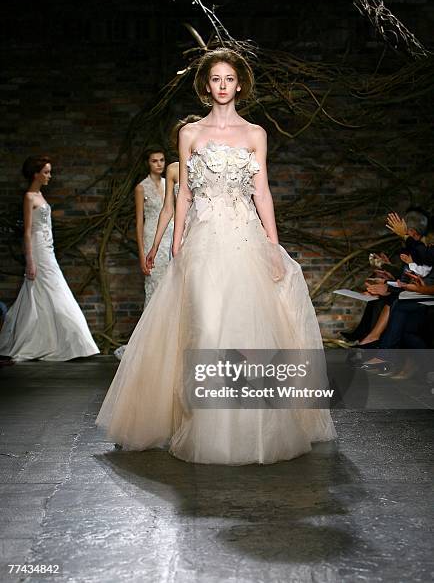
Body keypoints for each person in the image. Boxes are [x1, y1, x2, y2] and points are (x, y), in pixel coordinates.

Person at [96, 48, 336, 465]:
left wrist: (274, 245)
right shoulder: (189, 134)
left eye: (229, 79)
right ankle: (204, 427)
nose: (223, 85)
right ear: (206, 86)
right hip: (203, 239)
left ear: (239, 84)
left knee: (245, 327)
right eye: (216, 79)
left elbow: (261, 192)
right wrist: (175, 242)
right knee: (204, 327)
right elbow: (184, 192)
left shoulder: (255, 134)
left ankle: (247, 429)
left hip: (245, 238)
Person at [0, 156, 99, 362]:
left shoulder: (40, 195)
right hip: (38, 250)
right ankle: (76, 342)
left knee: (40, 295)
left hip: (47, 248)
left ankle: (50, 341)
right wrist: (30, 261)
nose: (49, 176)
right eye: (46, 172)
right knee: (54, 290)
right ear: (36, 174)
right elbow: (27, 232)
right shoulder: (29, 197)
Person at [145, 115, 201, 272]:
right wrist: (155, 246)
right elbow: (168, 209)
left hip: (205, 232)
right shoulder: (173, 169)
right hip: (180, 235)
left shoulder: (212, 168)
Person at [135, 146, 172, 304]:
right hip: (151, 238)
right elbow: (139, 222)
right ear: (148, 163)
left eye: (162, 160)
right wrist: (142, 255)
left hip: (171, 236)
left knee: (174, 285)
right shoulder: (141, 188)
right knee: (155, 285)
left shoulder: (170, 183)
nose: (159, 164)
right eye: (154, 161)